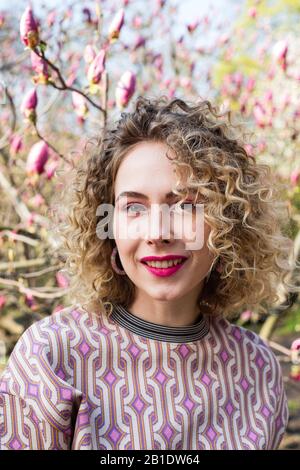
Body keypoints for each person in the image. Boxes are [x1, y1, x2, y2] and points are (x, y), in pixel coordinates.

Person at [0, 95, 297, 450]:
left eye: (186, 205)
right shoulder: (50, 357)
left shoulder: (258, 369)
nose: (158, 232)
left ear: (228, 221)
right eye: (134, 208)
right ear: (107, 225)